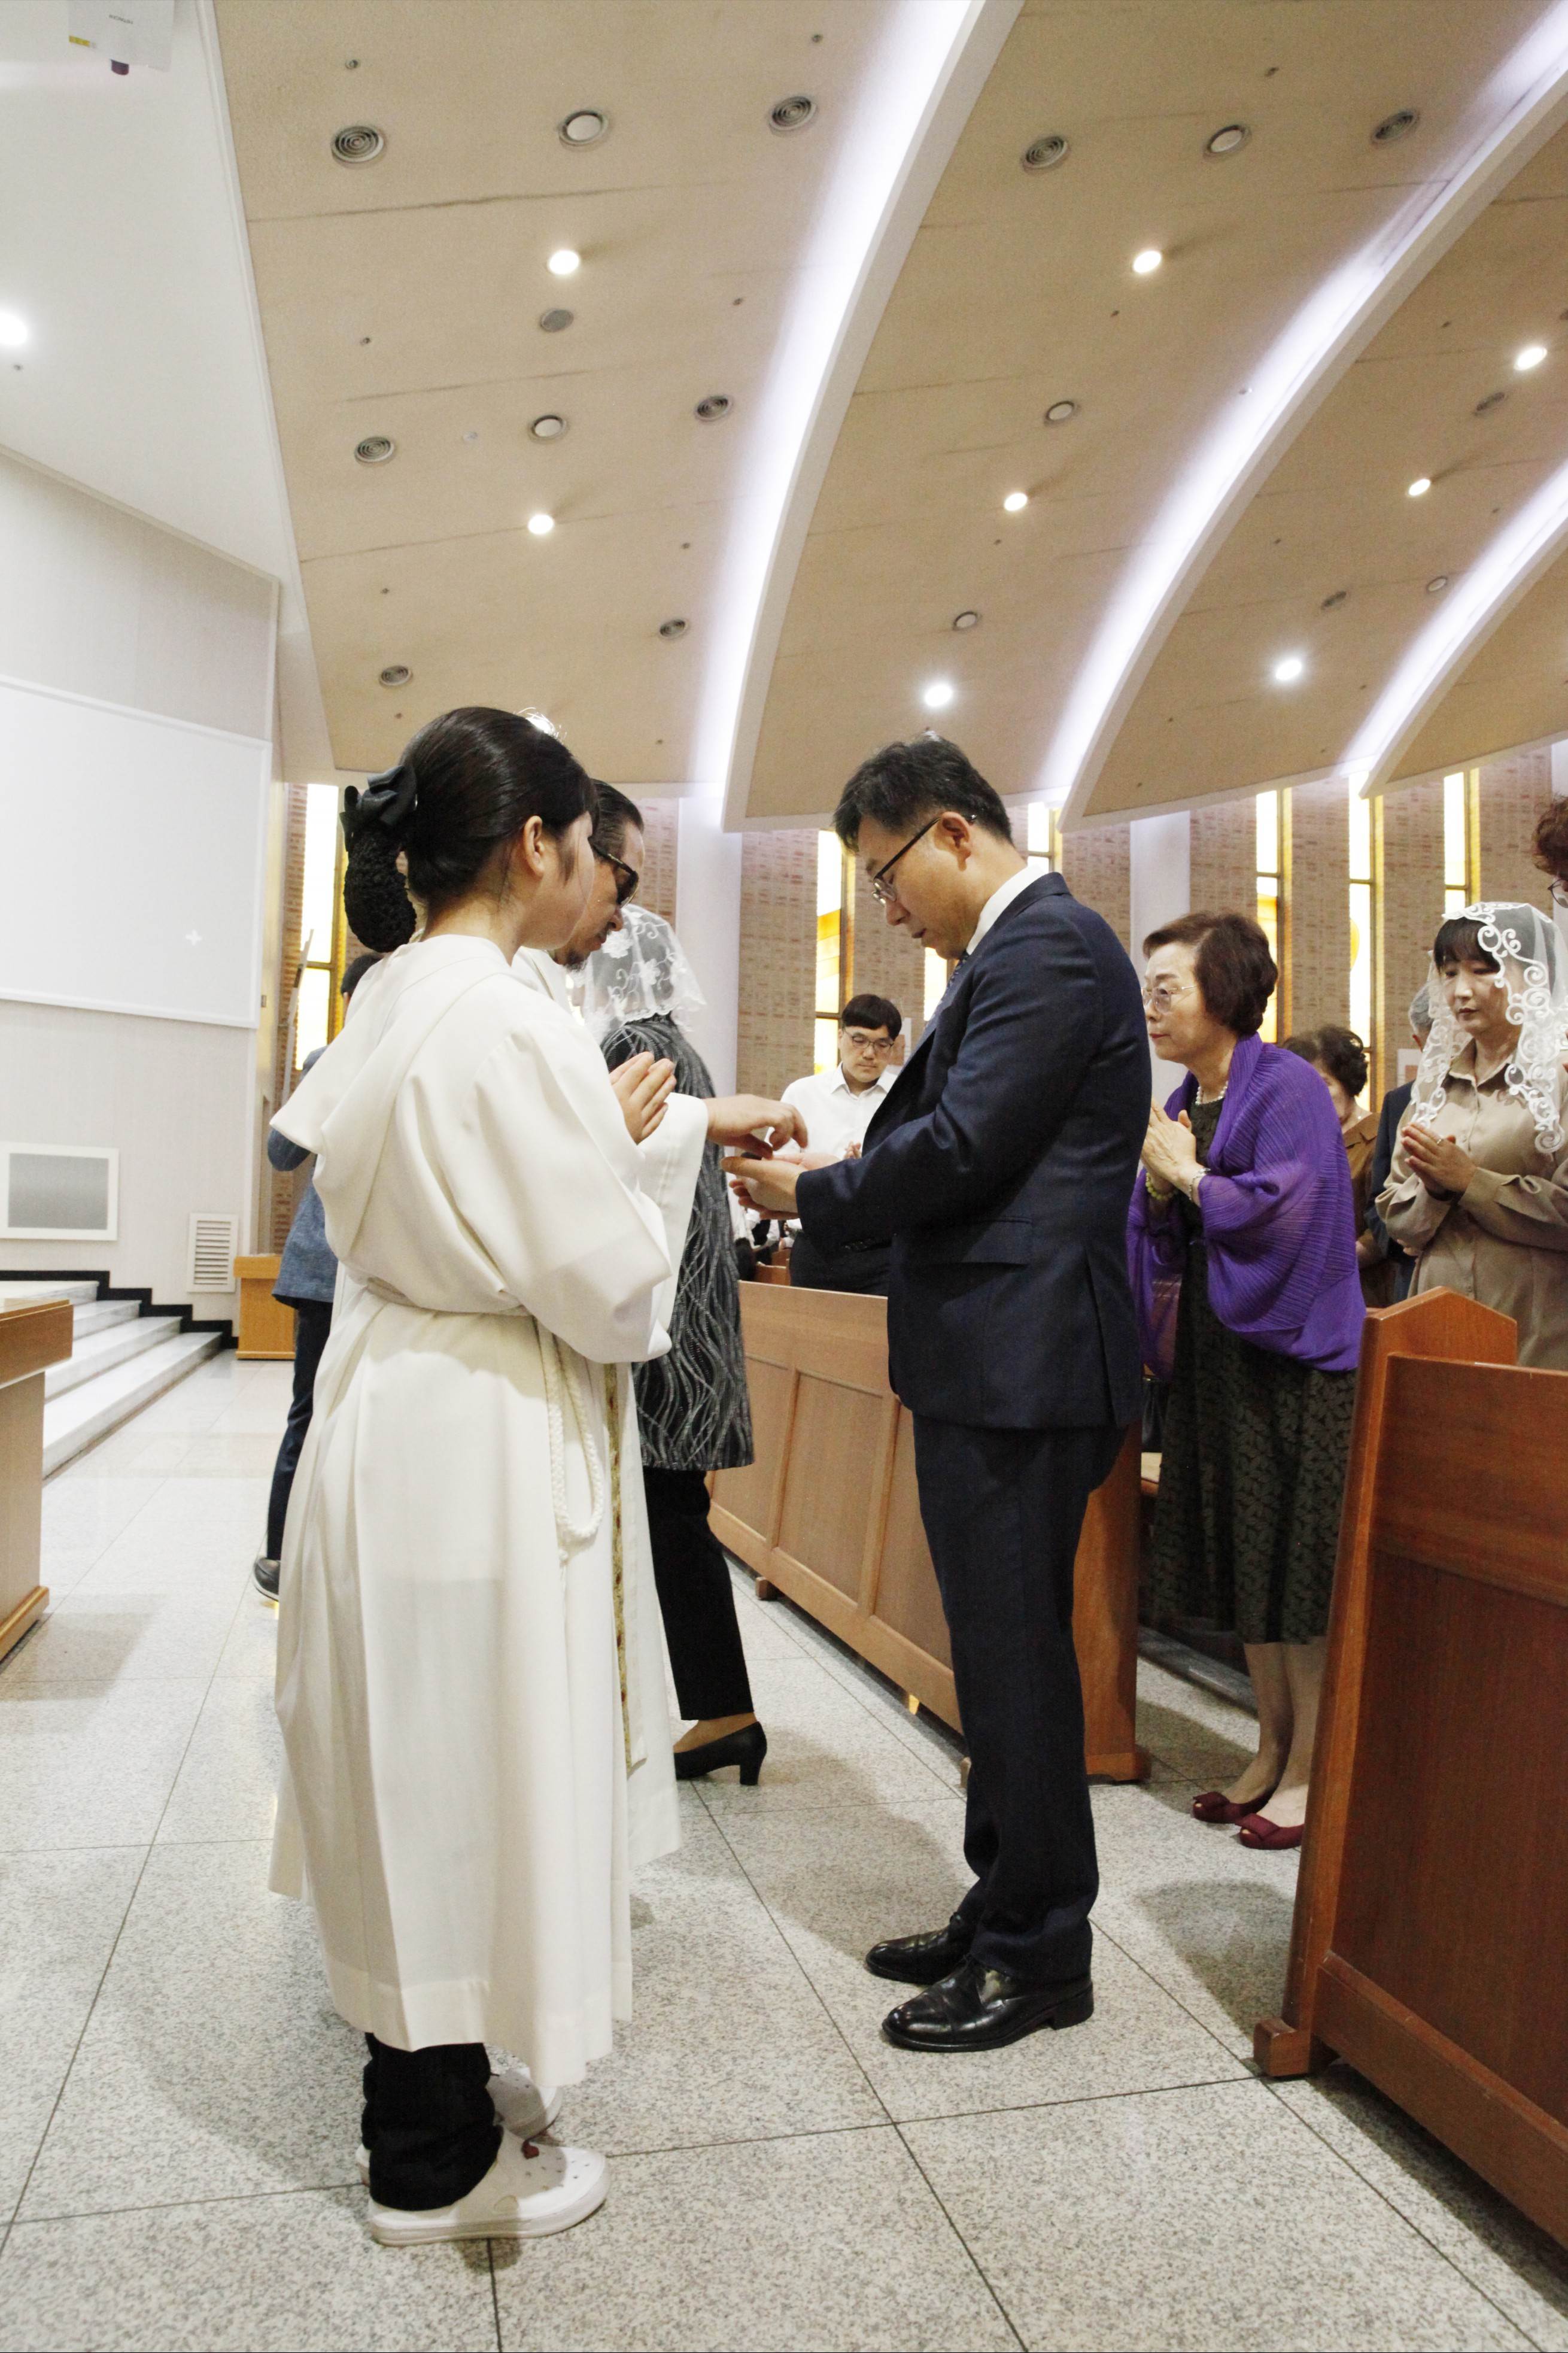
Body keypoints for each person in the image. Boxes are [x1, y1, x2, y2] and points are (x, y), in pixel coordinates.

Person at [268, 709, 802, 2247]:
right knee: (457, 1765)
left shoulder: (398, 988)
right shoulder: (505, 1016)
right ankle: (426, 2160)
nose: (595, 876)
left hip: (396, 1406)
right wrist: (629, 1162)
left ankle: (433, 2078)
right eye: (586, 847)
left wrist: (621, 1131)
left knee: (417, 1760)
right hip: (477, 1429)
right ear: (531, 845)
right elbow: (612, 1289)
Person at [728, 735, 1147, 2054]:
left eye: (887, 873)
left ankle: (1042, 1953)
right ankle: (1002, 1899)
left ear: (955, 833)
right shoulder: (1010, 956)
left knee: (1016, 1657)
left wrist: (820, 1194)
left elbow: (966, 1147)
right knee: (994, 1649)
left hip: (1028, 1358)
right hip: (995, 1352)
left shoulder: (1049, 949)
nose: (889, 908)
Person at [1131, 914, 1364, 1851]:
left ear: (1223, 991)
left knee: (1295, 1573)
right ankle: (1270, 1747)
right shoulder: (1188, 1095)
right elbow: (1162, 1221)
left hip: (1291, 1358)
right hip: (1220, 1355)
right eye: (1147, 989)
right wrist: (1159, 1192)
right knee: (1248, 1558)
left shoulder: (1287, 1085)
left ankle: (1312, 1765)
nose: (1151, 1006)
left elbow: (1288, 1215)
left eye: (1167, 988)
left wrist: (1186, 1179)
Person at [581, 905, 766, 1785]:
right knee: (671, 1512)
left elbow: (608, 1175)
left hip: (663, 1326)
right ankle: (720, 1708)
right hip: (691, 1315)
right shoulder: (675, 1045)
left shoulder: (630, 1047)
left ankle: (724, 1711)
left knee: (666, 1514)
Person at [1378, 903, 1568, 1367]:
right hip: (1439, 1313)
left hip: (1534, 1320)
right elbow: (1395, 1215)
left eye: (1483, 970)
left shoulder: (1559, 1080)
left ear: (1532, 976)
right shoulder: (1433, 1088)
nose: (1461, 990)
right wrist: (1435, 1192)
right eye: (1449, 973)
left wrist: (1472, 1182)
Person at [253, 953, 381, 1601]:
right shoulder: (332, 1058)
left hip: (373, 1271)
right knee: (316, 1414)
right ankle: (285, 1556)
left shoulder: (397, 1057)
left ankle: (333, 1558)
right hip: (334, 1270)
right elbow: (282, 1154)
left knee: (355, 1418)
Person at [780, 997, 904, 1294]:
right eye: (859, 1040)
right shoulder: (803, 1093)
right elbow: (779, 1167)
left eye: (882, 1044)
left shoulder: (907, 1096)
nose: (869, 1054)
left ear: (892, 1047)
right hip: (816, 1250)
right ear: (840, 1037)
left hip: (884, 1254)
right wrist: (835, 1174)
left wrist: (868, 1169)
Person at [1281, 1024, 1387, 1304]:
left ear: (1347, 1082)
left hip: (1362, 1294)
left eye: (1323, 1083)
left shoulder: (1378, 1136)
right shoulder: (1296, 1141)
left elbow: (1384, 1230)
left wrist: (1323, 1266)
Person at [1362, 988, 1431, 1303]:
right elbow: (1378, 1201)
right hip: (1411, 1274)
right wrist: (1401, 1239)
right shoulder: (1400, 1101)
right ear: (1419, 1043)